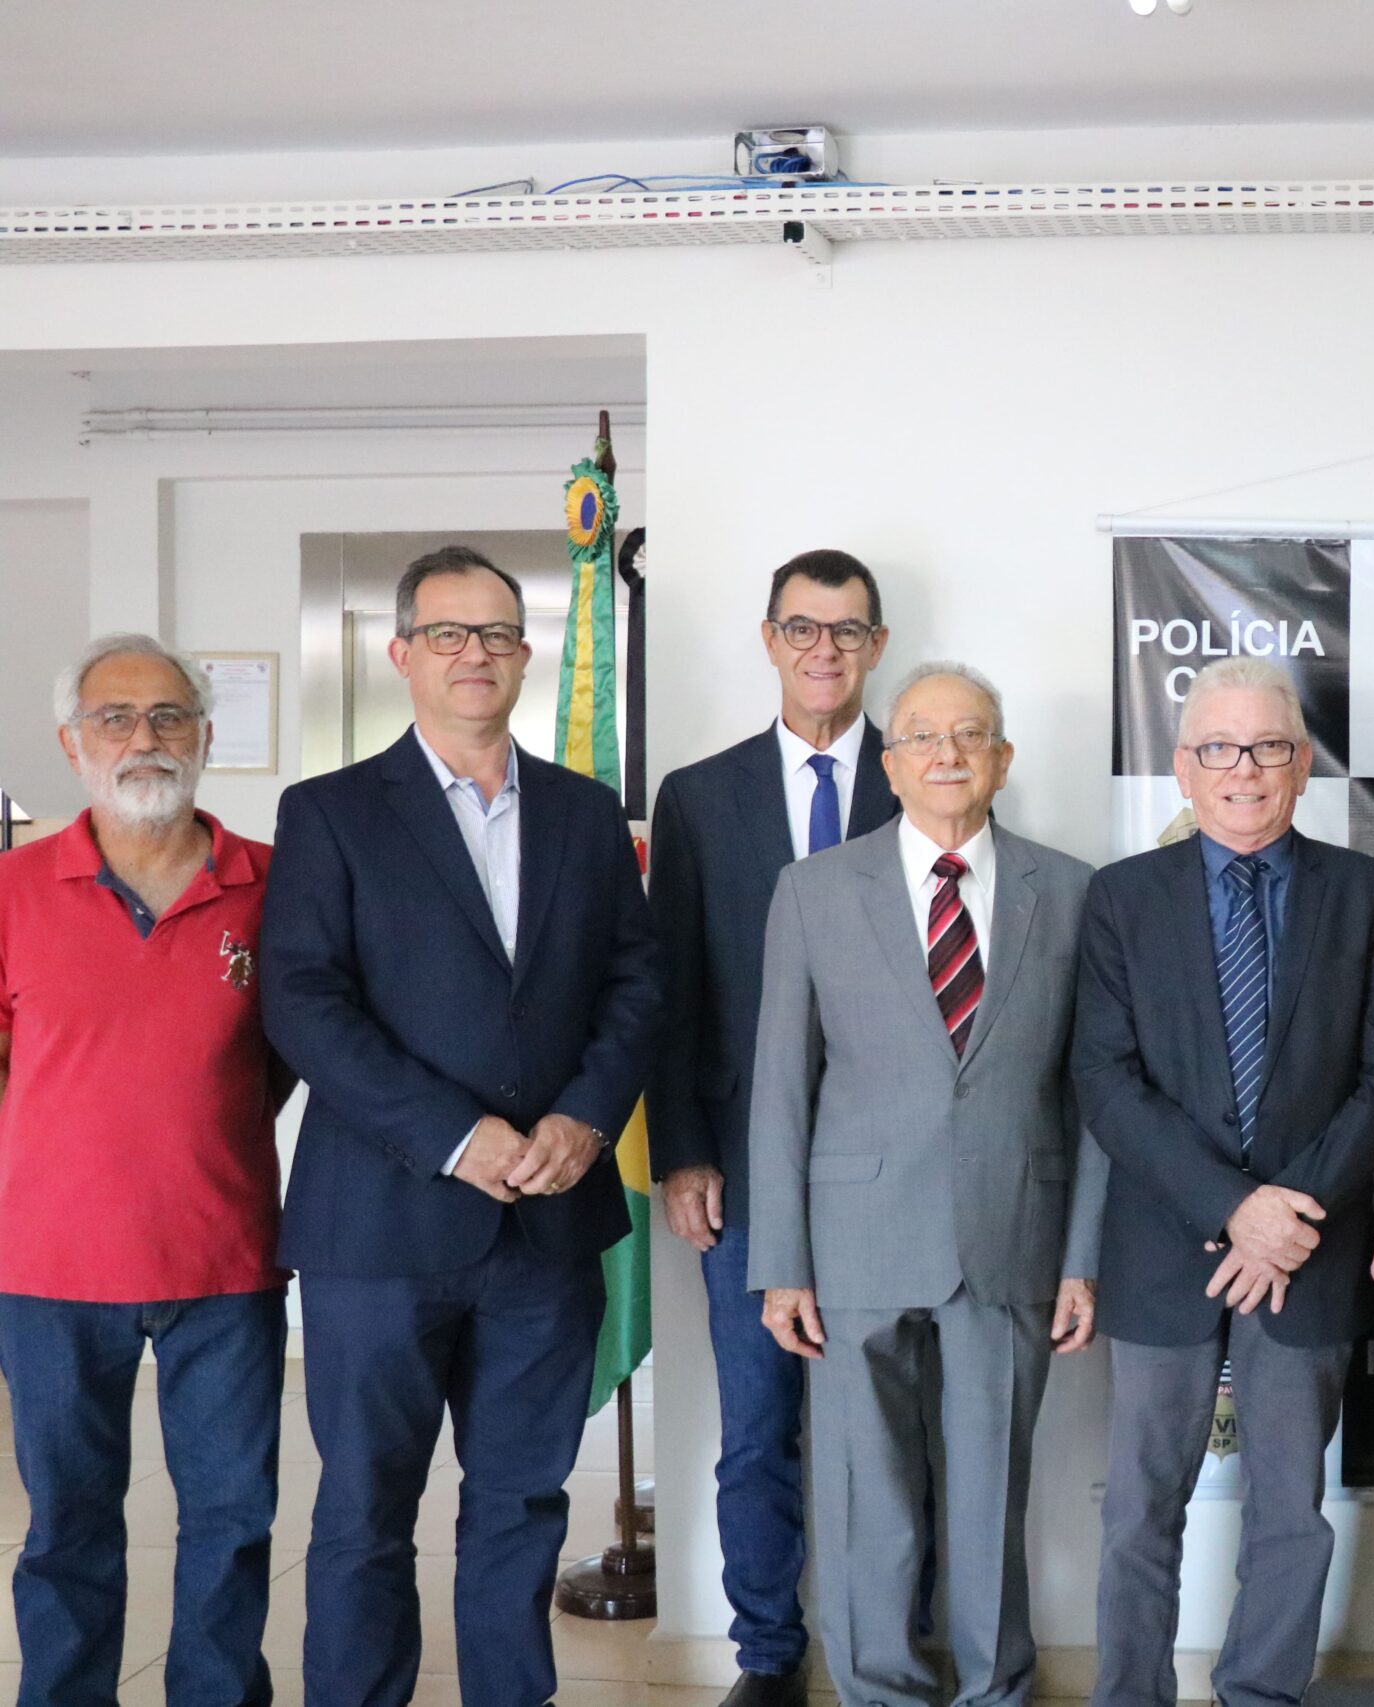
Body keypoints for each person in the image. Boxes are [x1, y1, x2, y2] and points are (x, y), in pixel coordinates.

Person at [262, 544, 660, 1707]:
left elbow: (637, 985)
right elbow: (304, 1002)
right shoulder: (330, 813)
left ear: (526, 656)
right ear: (401, 656)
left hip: (548, 1227)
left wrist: (586, 1119)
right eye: (449, 634)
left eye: (496, 634)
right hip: (378, 1232)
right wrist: (454, 1136)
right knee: (365, 1512)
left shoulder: (589, 816)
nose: (475, 654)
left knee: (524, 1504)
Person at [748, 660, 1106, 1707]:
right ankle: (879, 1689)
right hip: (852, 1238)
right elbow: (778, 1085)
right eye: (921, 736)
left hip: (1015, 1232)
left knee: (992, 1489)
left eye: (970, 733)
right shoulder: (814, 890)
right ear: (890, 762)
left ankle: (995, 1689)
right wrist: (781, 1264)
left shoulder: (1072, 890)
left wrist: (1083, 1256)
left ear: (1002, 758)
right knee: (868, 1496)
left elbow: (1094, 1096)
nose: (947, 752)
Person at [1074, 656, 1374, 1707]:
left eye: (1267, 747)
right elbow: (1104, 1080)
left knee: (1289, 1508)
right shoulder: (1120, 899)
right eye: (1219, 748)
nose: (1244, 770)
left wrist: (1288, 1216)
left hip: (1311, 1243)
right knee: (1137, 1507)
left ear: (1303, 765)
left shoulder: (1370, 894)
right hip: (1168, 1246)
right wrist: (1232, 1209)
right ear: (1182, 767)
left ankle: (1261, 1692)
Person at [0, 635, 291, 1707]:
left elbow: (295, 1056)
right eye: (115, 718)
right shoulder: (11, 889)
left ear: (207, 737)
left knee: (231, 1522)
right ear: (71, 742)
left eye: (169, 716)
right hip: (50, 1273)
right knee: (69, 1527)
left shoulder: (273, 884)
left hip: (228, 1264)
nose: (144, 738)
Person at [648, 547, 899, 1706]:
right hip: (744, 1167)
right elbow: (674, 988)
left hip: (890, 1170)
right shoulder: (700, 798)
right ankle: (766, 1655)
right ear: (768, 640)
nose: (824, 651)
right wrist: (686, 1148)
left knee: (888, 1428)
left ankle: (885, 1643)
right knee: (758, 1426)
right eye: (802, 629)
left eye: (846, 631)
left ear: (876, 648)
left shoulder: (926, 777)